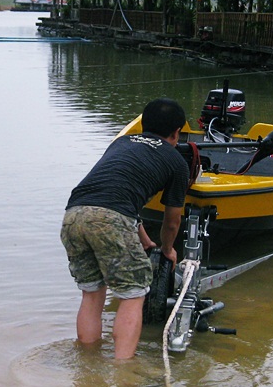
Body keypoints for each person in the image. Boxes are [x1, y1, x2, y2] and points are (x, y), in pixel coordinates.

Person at [60, 98, 190, 360]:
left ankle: (88, 364)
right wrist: (167, 250)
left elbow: (116, 194)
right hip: (110, 219)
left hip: (73, 215)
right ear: (176, 132)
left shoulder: (121, 143)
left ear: (143, 125)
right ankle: (124, 372)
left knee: (93, 293)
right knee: (133, 293)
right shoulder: (176, 161)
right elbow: (172, 221)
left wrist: (143, 239)